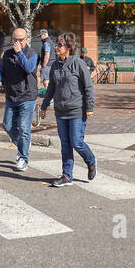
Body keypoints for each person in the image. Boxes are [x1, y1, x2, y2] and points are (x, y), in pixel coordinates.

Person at [39, 32, 96, 187]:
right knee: (65, 144)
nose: (56, 47)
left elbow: (89, 87)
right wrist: (44, 107)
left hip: (77, 109)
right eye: (56, 44)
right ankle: (67, 176)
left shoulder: (78, 63)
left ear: (69, 47)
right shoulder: (55, 65)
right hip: (60, 111)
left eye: (59, 45)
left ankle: (91, 160)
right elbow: (51, 88)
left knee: (77, 142)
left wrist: (89, 107)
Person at [0, 27, 39, 171]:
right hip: (11, 96)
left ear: (26, 40)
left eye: (20, 40)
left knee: (24, 129)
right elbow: (0, 69)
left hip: (27, 97)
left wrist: (19, 53)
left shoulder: (32, 54)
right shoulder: (7, 54)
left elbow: (29, 68)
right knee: (7, 125)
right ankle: (23, 144)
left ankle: (23, 158)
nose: (17, 42)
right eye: (15, 40)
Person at [32, 28, 54, 129]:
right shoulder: (50, 41)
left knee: (46, 82)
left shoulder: (46, 43)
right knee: (48, 82)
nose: (40, 37)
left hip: (48, 65)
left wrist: (43, 65)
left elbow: (47, 54)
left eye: (41, 35)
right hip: (52, 65)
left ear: (45, 34)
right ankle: (50, 98)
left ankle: (49, 98)